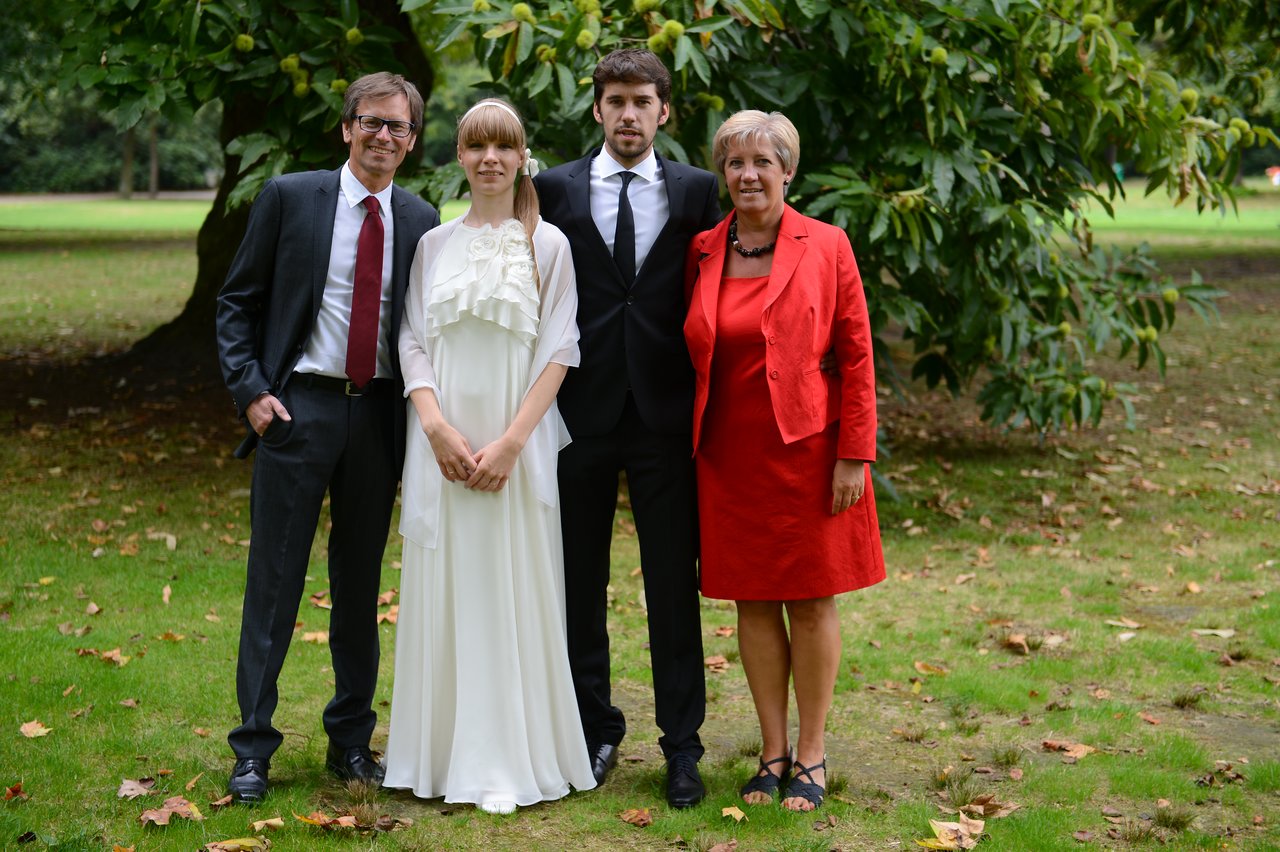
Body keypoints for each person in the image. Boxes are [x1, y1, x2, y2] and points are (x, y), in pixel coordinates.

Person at [215, 72, 440, 803]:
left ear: (411, 141)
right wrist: (252, 394)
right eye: (371, 123)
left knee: (359, 584)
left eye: (397, 128)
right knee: (274, 583)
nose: (383, 137)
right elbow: (236, 302)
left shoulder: (420, 215)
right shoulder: (290, 199)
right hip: (297, 409)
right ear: (346, 128)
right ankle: (253, 747)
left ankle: (350, 742)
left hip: (377, 418)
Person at [382, 98, 595, 815]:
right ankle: (437, 758)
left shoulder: (550, 246)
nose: (489, 160)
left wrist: (510, 444)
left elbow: (560, 348)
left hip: (514, 447)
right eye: (476, 147)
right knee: (449, 587)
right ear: (460, 157)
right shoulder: (434, 244)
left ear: (522, 156)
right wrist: (437, 427)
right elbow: (411, 337)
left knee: (509, 587)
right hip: (441, 445)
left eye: (503, 147)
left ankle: (509, 759)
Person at [533, 48, 721, 809]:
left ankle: (683, 746)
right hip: (577, 412)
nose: (629, 114)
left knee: (673, 587)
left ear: (664, 110)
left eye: (643, 101)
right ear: (599, 109)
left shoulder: (698, 191)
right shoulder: (551, 190)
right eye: (616, 101)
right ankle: (593, 728)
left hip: (665, 418)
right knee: (578, 581)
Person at [683, 110, 885, 812]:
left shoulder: (827, 245)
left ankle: (812, 753)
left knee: (811, 597)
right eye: (735, 163)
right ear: (723, 173)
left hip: (810, 453)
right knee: (753, 599)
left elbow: (857, 356)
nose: (748, 174)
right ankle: (770, 752)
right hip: (729, 455)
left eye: (763, 162)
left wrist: (855, 454)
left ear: (787, 171)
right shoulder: (705, 248)